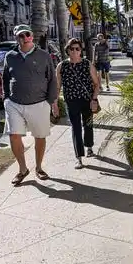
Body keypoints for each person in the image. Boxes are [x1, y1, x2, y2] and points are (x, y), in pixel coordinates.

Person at [3, 24, 58, 185]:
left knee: (39, 136)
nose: (24, 38)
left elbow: (52, 79)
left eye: (27, 34)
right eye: (21, 36)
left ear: (32, 36)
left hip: (39, 103)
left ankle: (39, 168)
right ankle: (22, 169)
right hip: (14, 103)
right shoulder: (10, 56)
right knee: (14, 135)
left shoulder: (44, 55)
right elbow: (5, 78)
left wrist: (51, 101)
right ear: (16, 38)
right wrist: (6, 98)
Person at [54, 38, 100, 169]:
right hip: (71, 101)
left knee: (88, 125)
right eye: (71, 49)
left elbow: (96, 84)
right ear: (67, 50)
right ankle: (79, 157)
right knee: (76, 128)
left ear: (81, 50)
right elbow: (57, 87)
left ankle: (89, 146)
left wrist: (94, 99)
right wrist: (55, 103)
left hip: (87, 100)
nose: (74, 51)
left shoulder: (87, 64)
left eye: (77, 49)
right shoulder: (61, 66)